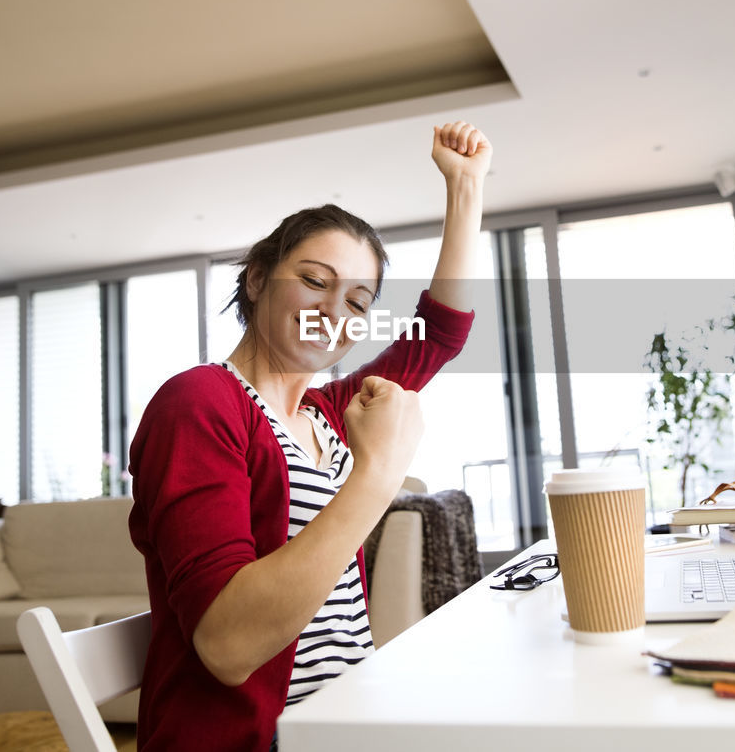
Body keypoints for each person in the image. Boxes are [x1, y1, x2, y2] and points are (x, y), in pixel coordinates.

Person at [127, 121, 491, 752]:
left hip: (351, 724)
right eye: (316, 282)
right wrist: (377, 476)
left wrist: (465, 187)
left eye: (358, 300)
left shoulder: (330, 411)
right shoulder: (200, 403)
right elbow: (227, 645)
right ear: (258, 278)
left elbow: (437, 337)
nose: (333, 312)